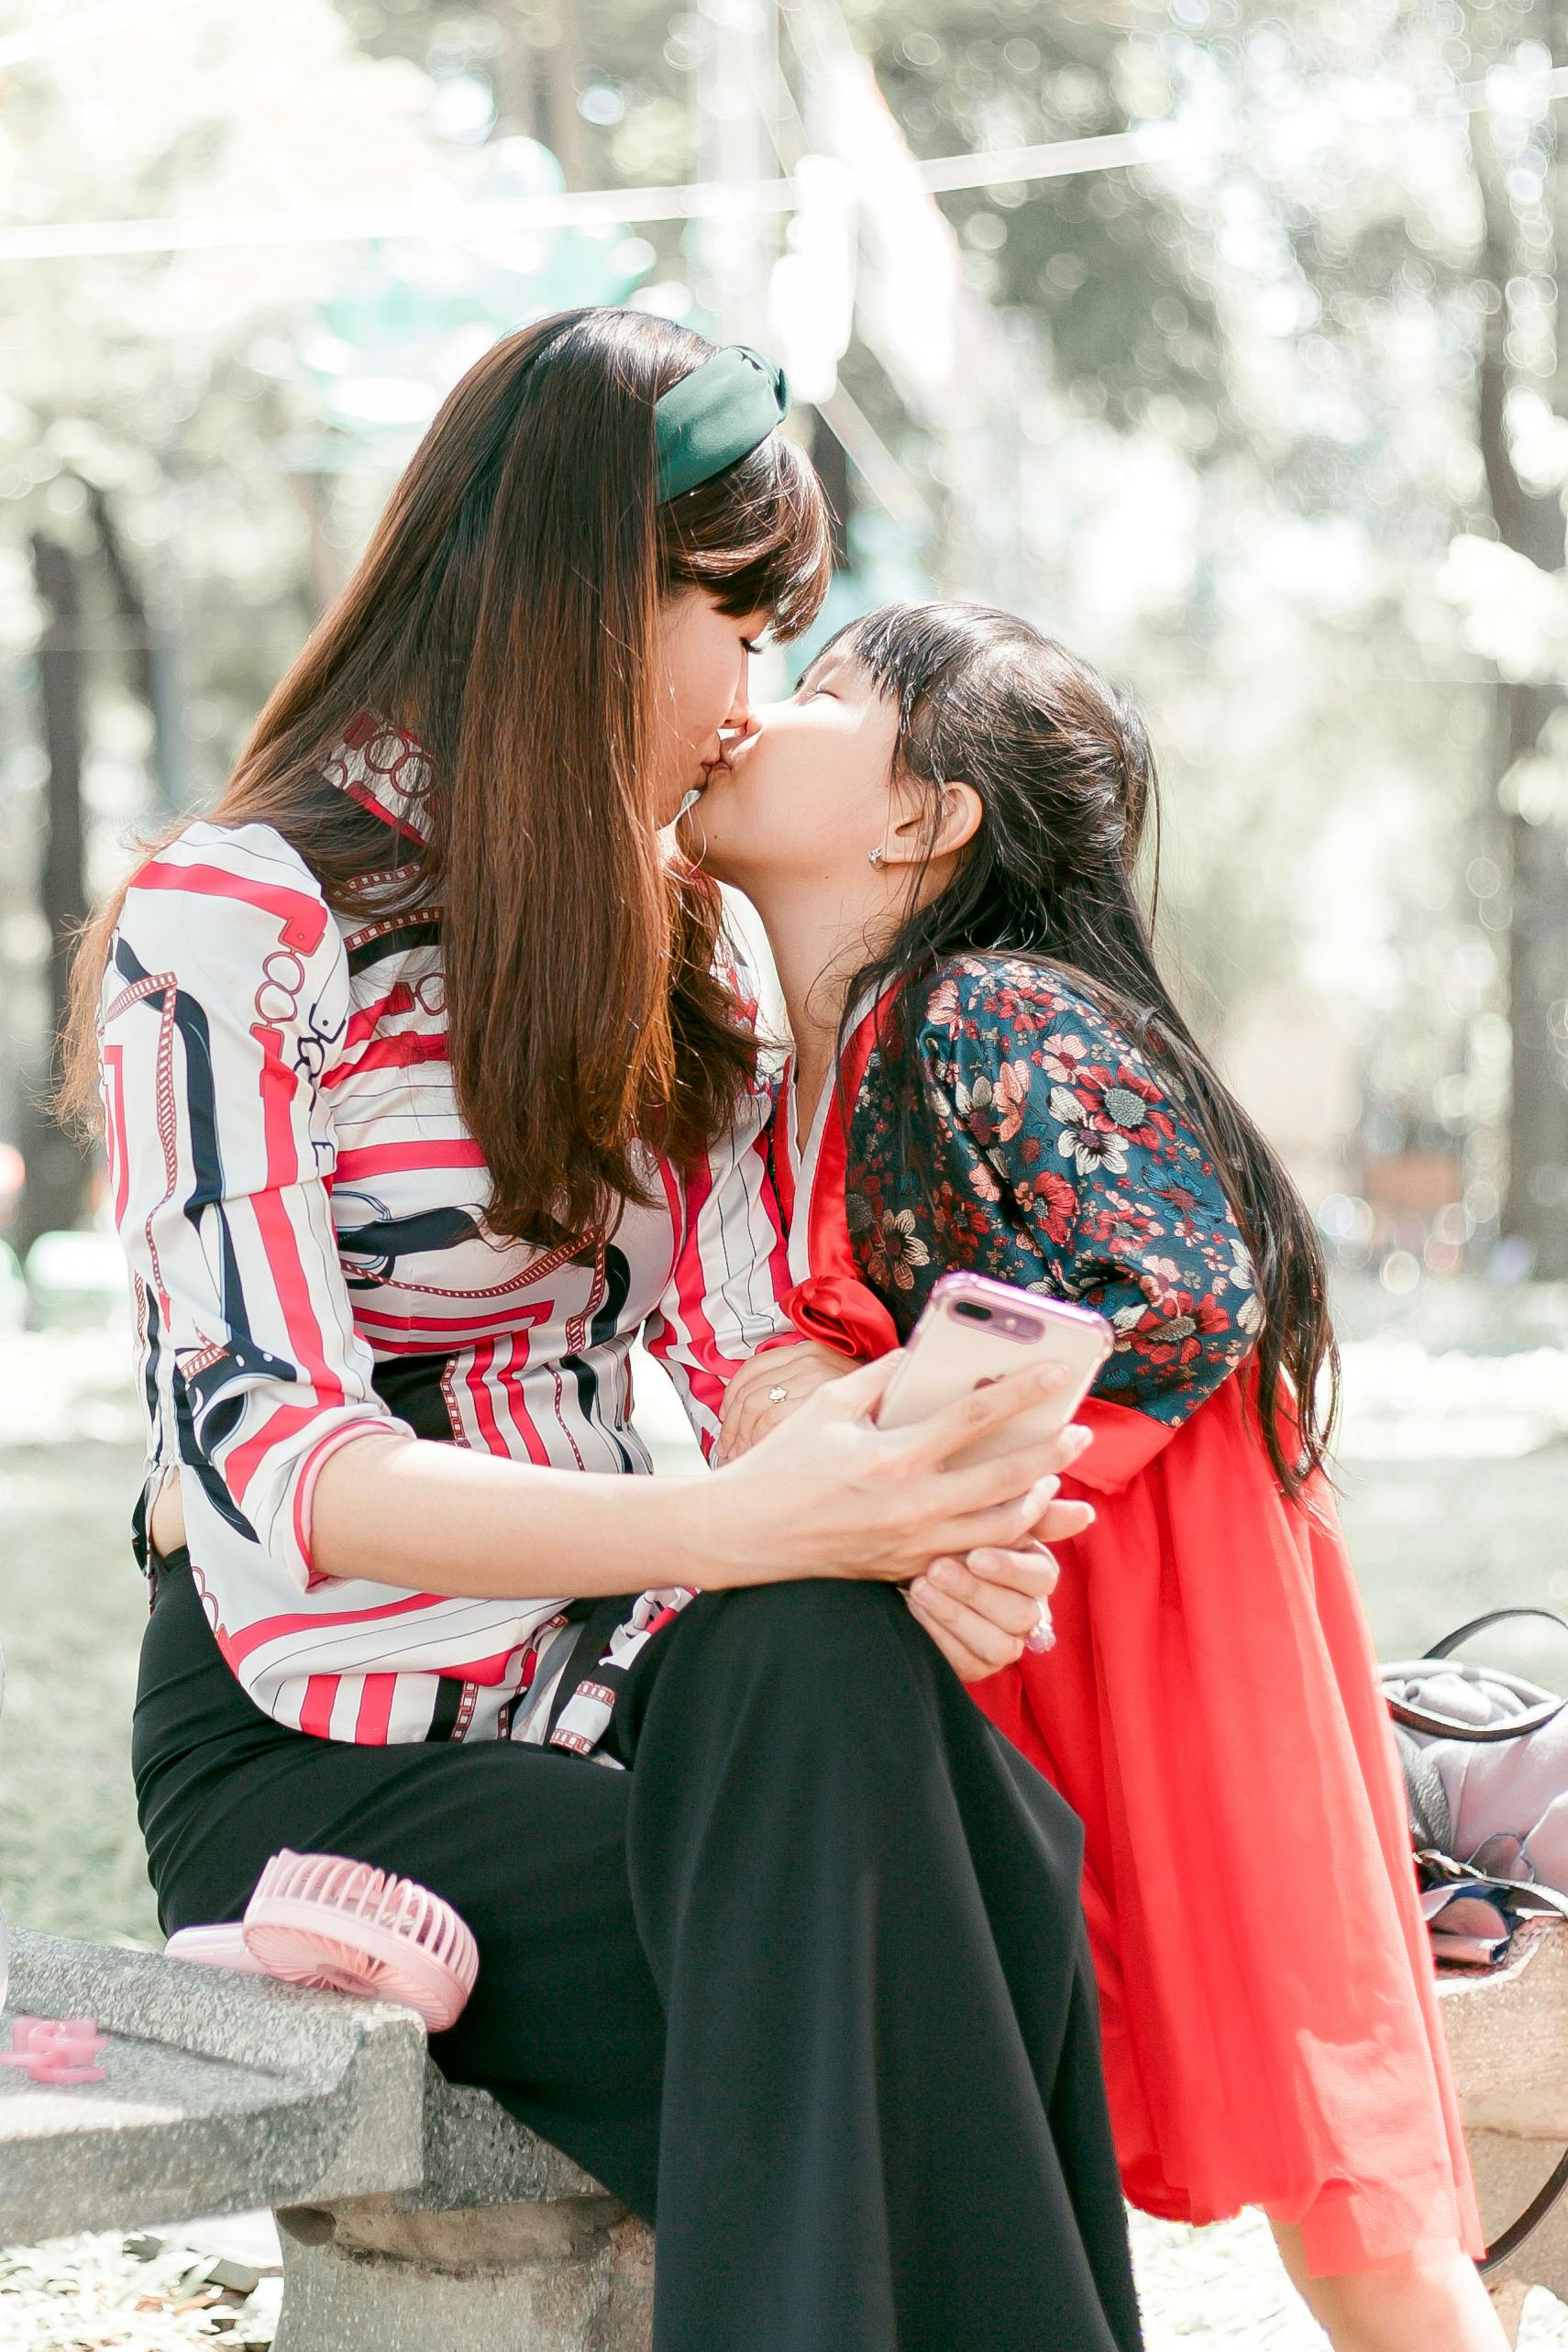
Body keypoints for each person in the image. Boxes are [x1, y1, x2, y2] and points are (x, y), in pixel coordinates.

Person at [61, 319, 1144, 2352]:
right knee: (926, 1939)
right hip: (329, 1747)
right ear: (585, 602)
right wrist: (750, 1530)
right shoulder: (239, 921)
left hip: (626, 1689)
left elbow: (753, 1342)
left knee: (870, 1726)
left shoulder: (668, 925)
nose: (748, 707)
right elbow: (275, 1466)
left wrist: (889, 1486)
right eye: (737, 629)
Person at [690, 598, 1507, 2352]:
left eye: (824, 687)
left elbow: (1184, 1281)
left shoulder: (983, 1009)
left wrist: (926, 1436)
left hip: (1164, 1617)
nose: (757, 706)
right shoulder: (810, 1071)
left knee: (1328, 2160)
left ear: (924, 816)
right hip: (1030, 1619)